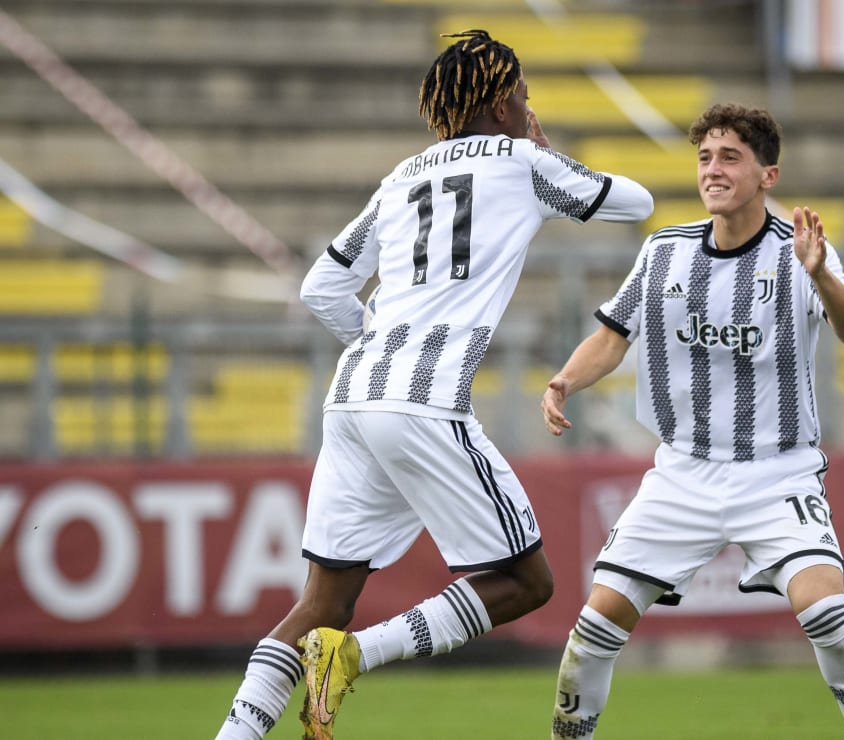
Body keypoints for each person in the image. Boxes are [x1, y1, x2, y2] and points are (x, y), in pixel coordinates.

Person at [213, 30, 653, 740]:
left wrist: (380, 343)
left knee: (319, 601)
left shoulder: (401, 176)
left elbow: (322, 287)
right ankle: (353, 656)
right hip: (421, 399)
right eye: (524, 95)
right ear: (507, 104)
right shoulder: (519, 161)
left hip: (354, 396)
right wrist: (542, 151)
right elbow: (633, 201)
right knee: (525, 584)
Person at [542, 103, 844, 740]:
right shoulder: (664, 250)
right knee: (591, 635)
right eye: (705, 157)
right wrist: (565, 379)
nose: (713, 170)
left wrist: (822, 278)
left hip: (777, 473)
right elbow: (615, 337)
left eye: (730, 157)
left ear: (767, 176)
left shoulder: (800, 251)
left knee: (828, 614)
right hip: (682, 475)